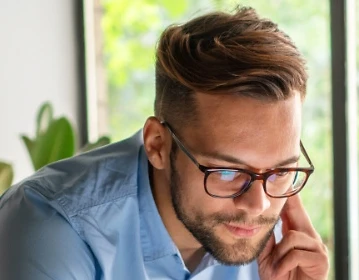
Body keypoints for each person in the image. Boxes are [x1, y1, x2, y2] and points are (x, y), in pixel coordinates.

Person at [0, 6, 329, 280]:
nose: (258, 206)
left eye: (280, 172)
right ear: (158, 144)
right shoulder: (50, 228)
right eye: (227, 172)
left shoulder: (273, 240)